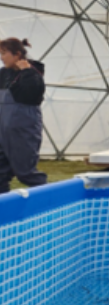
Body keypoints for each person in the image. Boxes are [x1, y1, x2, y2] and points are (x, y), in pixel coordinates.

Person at [0, 37, 46, 194]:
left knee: (26, 173)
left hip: (23, 130)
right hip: (3, 130)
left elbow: (35, 93)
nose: (1, 57)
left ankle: (49, 203)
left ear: (17, 54)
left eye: (4, 53)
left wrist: (26, 71)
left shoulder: (33, 73)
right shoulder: (4, 74)